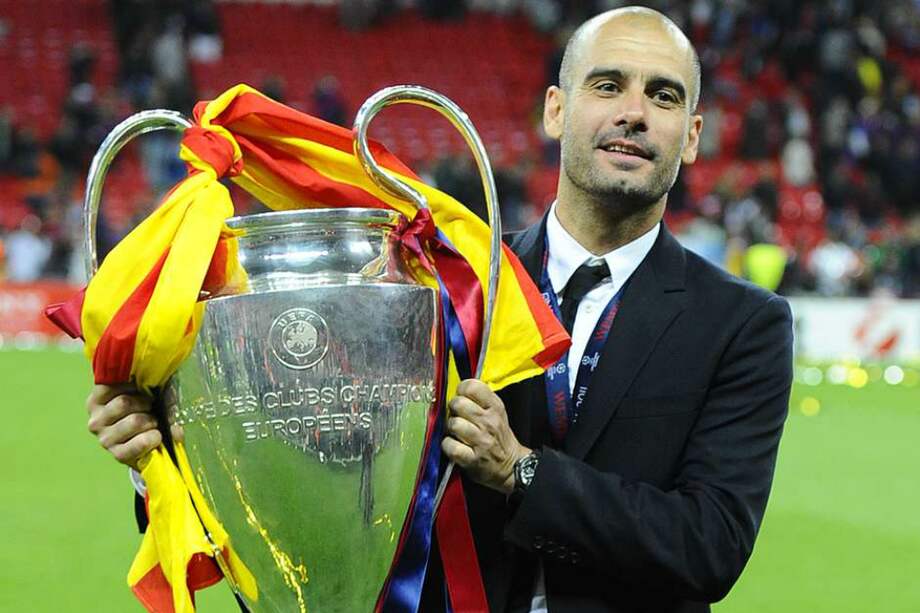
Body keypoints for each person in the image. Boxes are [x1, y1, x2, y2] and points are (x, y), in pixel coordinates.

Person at [86, 7, 793, 612]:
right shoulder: (438, 286)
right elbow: (331, 471)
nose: (634, 112)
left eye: (664, 97)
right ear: (556, 109)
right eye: (607, 85)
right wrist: (166, 449)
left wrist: (521, 470)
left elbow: (710, 543)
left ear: (693, 135)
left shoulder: (743, 324)